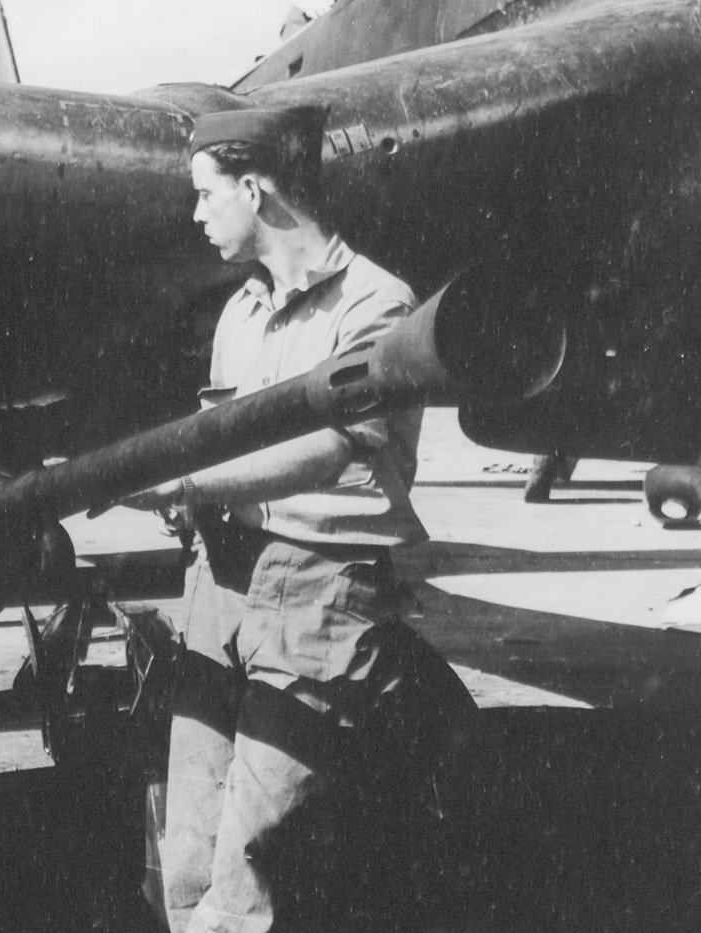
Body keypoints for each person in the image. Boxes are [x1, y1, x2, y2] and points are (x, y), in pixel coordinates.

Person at [118, 108, 474, 932]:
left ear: (255, 188)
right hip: (221, 581)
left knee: (251, 865)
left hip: (316, 591)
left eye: (207, 195)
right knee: (189, 848)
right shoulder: (239, 314)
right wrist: (192, 507)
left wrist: (188, 482)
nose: (197, 215)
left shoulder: (377, 305)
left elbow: (336, 447)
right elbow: (218, 433)